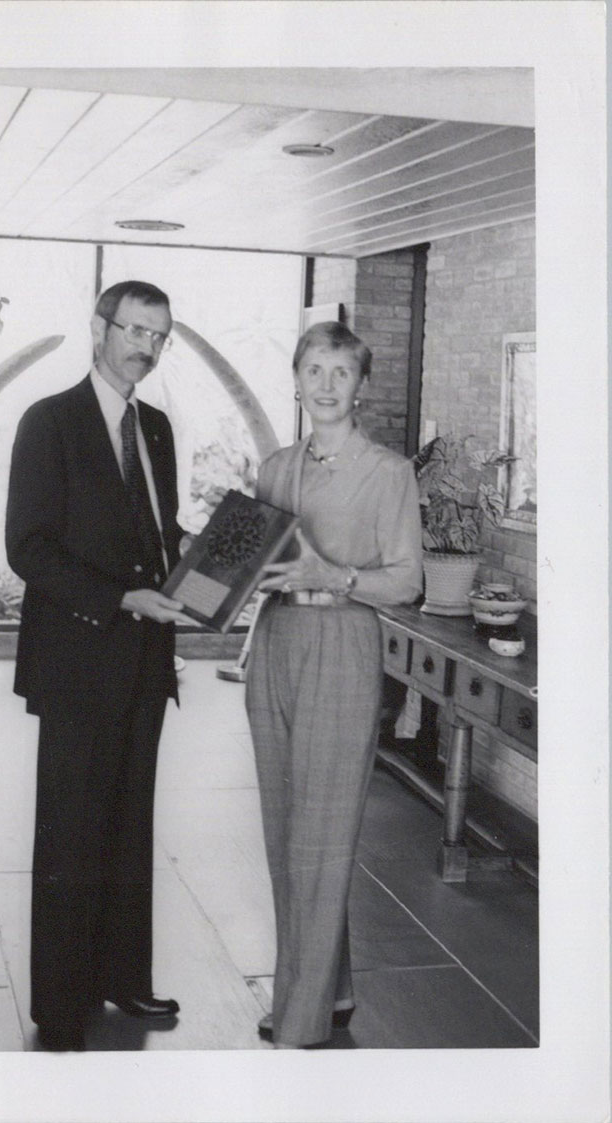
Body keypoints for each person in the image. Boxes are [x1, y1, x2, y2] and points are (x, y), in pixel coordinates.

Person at [6, 280, 194, 1051]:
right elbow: (29, 549)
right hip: (78, 659)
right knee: (70, 833)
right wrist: (123, 599)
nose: (144, 347)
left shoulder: (155, 427)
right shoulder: (47, 422)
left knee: (128, 825)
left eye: (159, 335)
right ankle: (60, 1002)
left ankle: (123, 978)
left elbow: (160, 531)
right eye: (134, 330)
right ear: (99, 328)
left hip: (147, 663)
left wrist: (204, 569)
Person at [245, 321, 423, 1049]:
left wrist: (337, 575)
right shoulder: (275, 469)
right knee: (288, 827)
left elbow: (407, 580)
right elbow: (262, 566)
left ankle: (302, 1014)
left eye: (340, 373)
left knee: (323, 830)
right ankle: (331, 984)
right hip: (276, 642)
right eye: (313, 370)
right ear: (296, 379)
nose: (325, 385)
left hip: (343, 641)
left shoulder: (388, 471)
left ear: (361, 386)